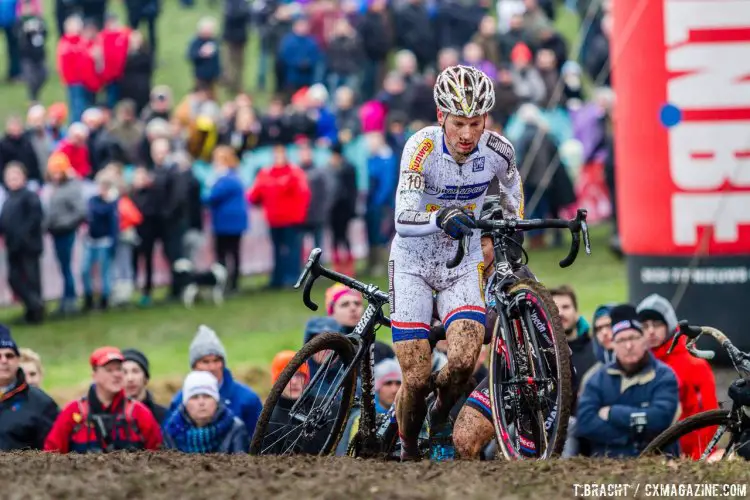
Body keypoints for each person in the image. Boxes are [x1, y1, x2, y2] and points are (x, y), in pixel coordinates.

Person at [388, 64, 522, 461]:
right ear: (441, 116)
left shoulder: (498, 150)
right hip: (413, 262)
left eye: (476, 123)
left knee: (464, 361)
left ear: (486, 120)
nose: (467, 134)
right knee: (415, 376)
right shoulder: (421, 147)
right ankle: (408, 447)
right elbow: (401, 217)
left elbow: (514, 191)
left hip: (461, 264)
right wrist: (438, 217)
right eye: (459, 122)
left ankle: (439, 415)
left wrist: (509, 228)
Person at [44, 346, 163, 453]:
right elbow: (51, 454)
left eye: (119, 369)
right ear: (94, 375)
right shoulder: (73, 411)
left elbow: (159, 455)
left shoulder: (139, 412)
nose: (116, 374)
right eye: (109, 370)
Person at [0, 326, 59, 450]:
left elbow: (56, 451)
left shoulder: (41, 403)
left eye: (9, 355)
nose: (4, 360)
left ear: (17, 360)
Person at [163, 371, 249, 454]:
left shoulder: (234, 428)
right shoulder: (172, 430)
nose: (201, 402)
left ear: (216, 401)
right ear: (185, 403)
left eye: (207, 396)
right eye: (194, 397)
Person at [122, 348, 168, 425]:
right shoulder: (111, 417)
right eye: (124, 372)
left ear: (145, 378)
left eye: (135, 371)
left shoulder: (163, 416)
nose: (130, 378)